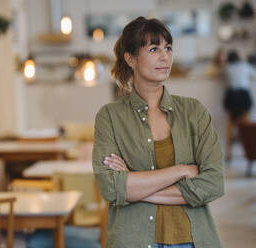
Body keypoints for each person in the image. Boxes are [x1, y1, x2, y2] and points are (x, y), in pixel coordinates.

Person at [92, 16, 224, 248]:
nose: (165, 57)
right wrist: (182, 170)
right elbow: (111, 188)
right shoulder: (110, 117)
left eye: (168, 48)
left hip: (193, 241)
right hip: (134, 239)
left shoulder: (194, 111)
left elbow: (213, 183)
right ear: (130, 58)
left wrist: (133, 186)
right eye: (154, 49)